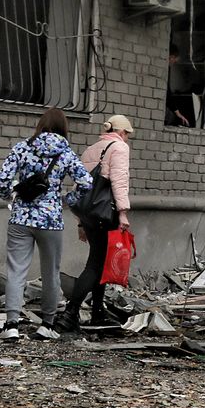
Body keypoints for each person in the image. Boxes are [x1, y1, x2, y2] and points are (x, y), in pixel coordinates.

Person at [0, 107, 92, 331]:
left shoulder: (22, 147)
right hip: (51, 220)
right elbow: (86, 182)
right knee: (50, 273)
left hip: (20, 218)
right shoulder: (65, 153)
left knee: (16, 270)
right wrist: (67, 200)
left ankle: (11, 325)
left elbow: (2, 179)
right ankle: (47, 325)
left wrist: (9, 195)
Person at [65, 114, 135, 329]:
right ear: (122, 132)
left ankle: (97, 311)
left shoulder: (91, 149)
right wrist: (123, 213)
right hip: (106, 213)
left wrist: (80, 222)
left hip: (88, 214)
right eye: (128, 134)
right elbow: (119, 181)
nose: (128, 139)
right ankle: (70, 312)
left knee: (100, 261)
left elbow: (81, 188)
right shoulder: (119, 148)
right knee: (96, 264)